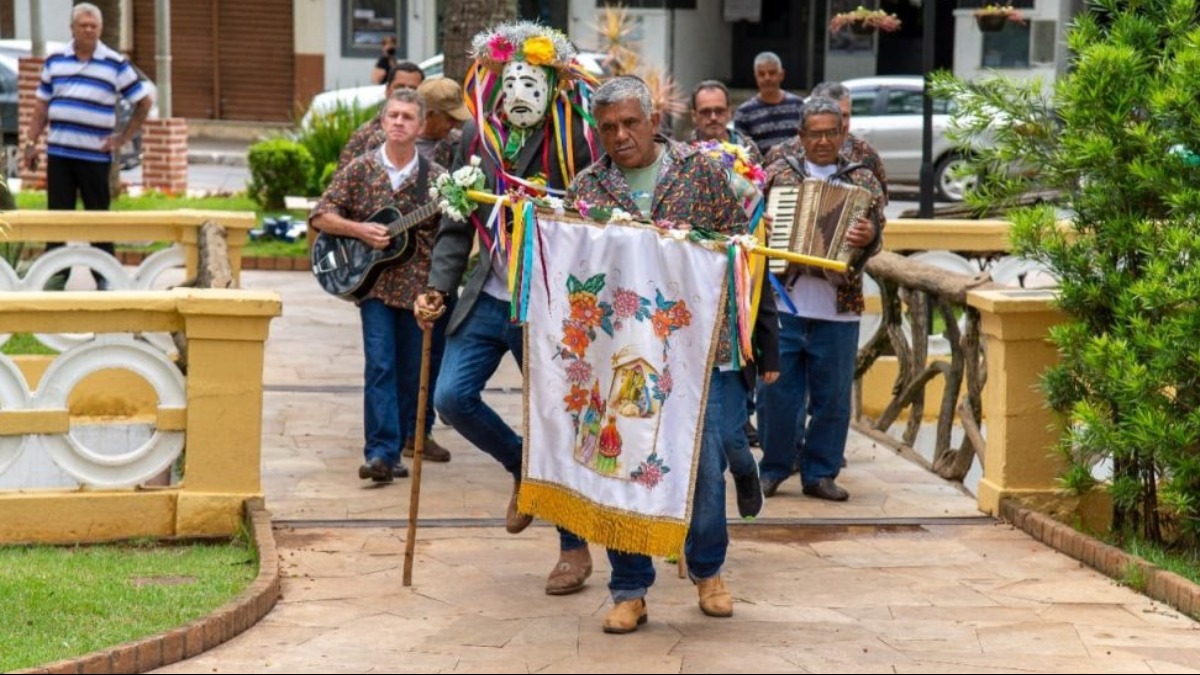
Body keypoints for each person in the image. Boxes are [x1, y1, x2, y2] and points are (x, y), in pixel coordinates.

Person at [567, 75, 780, 634]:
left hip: (696, 354)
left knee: (704, 465)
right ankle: (629, 587)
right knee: (618, 464)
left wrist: (762, 343)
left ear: (654, 121)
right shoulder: (586, 190)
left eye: (630, 122)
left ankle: (708, 570)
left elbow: (743, 261)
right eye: (608, 126)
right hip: (617, 356)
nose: (620, 135)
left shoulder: (702, 172)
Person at [413, 22, 598, 597]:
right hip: (489, 297)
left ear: (551, 86)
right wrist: (438, 288)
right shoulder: (478, 143)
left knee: (556, 422)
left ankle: (573, 549)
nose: (519, 92)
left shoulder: (578, 143)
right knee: (450, 398)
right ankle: (523, 469)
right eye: (510, 80)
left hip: (548, 307)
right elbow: (454, 223)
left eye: (531, 81)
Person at [310, 88, 448, 483]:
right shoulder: (361, 168)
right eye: (393, 116)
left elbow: (448, 239)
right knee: (380, 365)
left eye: (408, 116)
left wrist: (437, 287)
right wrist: (359, 230)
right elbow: (322, 215)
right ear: (383, 122)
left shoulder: (437, 181)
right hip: (373, 286)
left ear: (421, 126)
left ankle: (403, 442)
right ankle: (381, 454)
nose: (399, 122)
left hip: (416, 288)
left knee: (409, 371)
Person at [756, 97, 885, 502]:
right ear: (802, 136)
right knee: (776, 394)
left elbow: (877, 237)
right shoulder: (779, 175)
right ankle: (774, 468)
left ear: (843, 134)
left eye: (832, 132)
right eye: (816, 133)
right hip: (785, 303)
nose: (825, 140)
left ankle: (820, 473)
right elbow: (752, 222)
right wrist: (764, 223)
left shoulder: (862, 180)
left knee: (832, 398)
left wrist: (869, 238)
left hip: (838, 307)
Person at [23, 2, 152, 290]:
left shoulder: (115, 63)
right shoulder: (55, 61)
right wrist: (31, 143)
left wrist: (123, 137)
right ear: (72, 29)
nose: (89, 30)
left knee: (98, 217)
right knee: (57, 217)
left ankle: (104, 277)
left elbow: (143, 101)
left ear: (101, 29)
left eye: (94, 26)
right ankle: (56, 276)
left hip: (95, 157)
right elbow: (41, 107)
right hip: (59, 153)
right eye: (83, 25)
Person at [765, 80, 889, 201]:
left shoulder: (866, 153)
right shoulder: (779, 154)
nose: (843, 123)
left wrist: (870, 222)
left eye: (845, 115)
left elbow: (877, 204)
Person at [337, 63, 426, 173]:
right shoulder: (365, 134)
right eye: (399, 87)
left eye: (413, 89)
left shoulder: (441, 136)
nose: (405, 93)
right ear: (387, 90)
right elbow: (342, 177)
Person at [733, 52, 804, 154]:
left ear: (781, 75)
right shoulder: (744, 112)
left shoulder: (798, 105)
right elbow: (743, 151)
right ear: (756, 77)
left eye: (772, 73)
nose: (767, 78)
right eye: (762, 74)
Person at [689, 79, 762, 165]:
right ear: (694, 115)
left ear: (729, 112)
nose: (713, 117)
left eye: (719, 111)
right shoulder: (685, 153)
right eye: (705, 112)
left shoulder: (748, 149)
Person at [413, 77, 470, 169]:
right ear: (429, 114)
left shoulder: (461, 142)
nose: (456, 123)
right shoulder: (392, 140)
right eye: (451, 118)